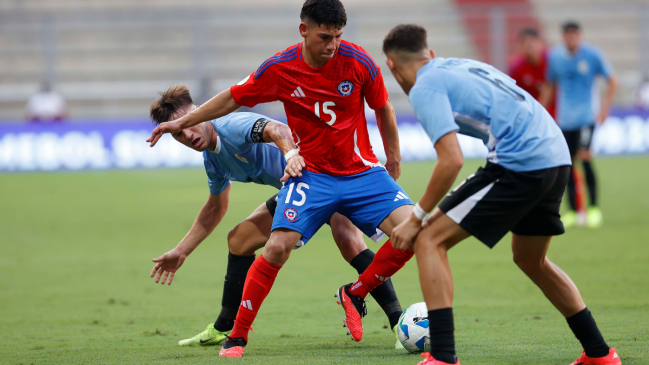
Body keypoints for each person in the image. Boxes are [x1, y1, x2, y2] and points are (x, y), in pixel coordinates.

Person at [338, 24, 621, 365]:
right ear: (430, 53)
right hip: (556, 153)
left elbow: (451, 160)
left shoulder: (424, 86)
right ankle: (600, 353)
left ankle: (442, 355)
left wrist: (417, 217)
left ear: (392, 67)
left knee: (428, 239)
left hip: (522, 161)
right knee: (531, 259)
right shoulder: (459, 65)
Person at [147, 0, 416, 357]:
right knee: (250, 242)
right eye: (325, 37)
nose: (332, 45)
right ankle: (232, 332)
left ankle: (374, 305)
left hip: (344, 170)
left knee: (392, 233)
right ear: (304, 30)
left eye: (337, 36)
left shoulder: (357, 62)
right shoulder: (276, 73)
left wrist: (392, 157)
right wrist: (182, 250)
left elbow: (281, 126)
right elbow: (216, 204)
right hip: (310, 180)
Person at [540, 21, 618, 228]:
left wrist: (605, 108)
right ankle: (574, 211)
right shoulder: (556, 57)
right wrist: (540, 110)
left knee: (585, 155)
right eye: (567, 34)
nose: (571, 38)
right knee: (567, 162)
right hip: (565, 119)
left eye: (575, 34)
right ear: (563, 36)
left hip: (586, 117)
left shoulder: (592, 55)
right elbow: (549, 84)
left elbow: (612, 80)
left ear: (580, 36)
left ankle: (593, 208)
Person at [508, 28, 555, 118]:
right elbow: (515, 93)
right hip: (531, 116)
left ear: (540, 42)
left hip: (554, 117)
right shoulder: (517, 67)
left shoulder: (552, 61)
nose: (529, 44)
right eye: (524, 42)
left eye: (532, 41)